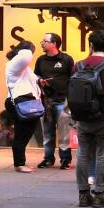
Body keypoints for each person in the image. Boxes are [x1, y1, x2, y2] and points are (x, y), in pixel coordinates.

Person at [69, 30, 104, 208]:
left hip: (83, 119)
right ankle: (100, 194)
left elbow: (72, 92)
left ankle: (83, 195)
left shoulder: (78, 66)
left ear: (90, 45)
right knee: (103, 156)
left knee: (83, 154)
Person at [34, 32, 75, 170]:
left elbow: (73, 79)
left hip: (62, 100)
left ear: (54, 44)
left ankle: (65, 159)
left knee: (64, 132)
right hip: (46, 101)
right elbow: (36, 77)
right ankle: (48, 158)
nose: (42, 43)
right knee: (47, 132)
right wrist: (40, 81)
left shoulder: (66, 59)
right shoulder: (40, 60)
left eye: (45, 41)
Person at [5, 38, 42, 171]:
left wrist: (40, 81)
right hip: (20, 102)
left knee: (25, 132)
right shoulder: (15, 62)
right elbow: (26, 55)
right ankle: (19, 164)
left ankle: (20, 162)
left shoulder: (23, 67)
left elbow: (32, 78)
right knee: (22, 133)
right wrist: (27, 48)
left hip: (25, 101)